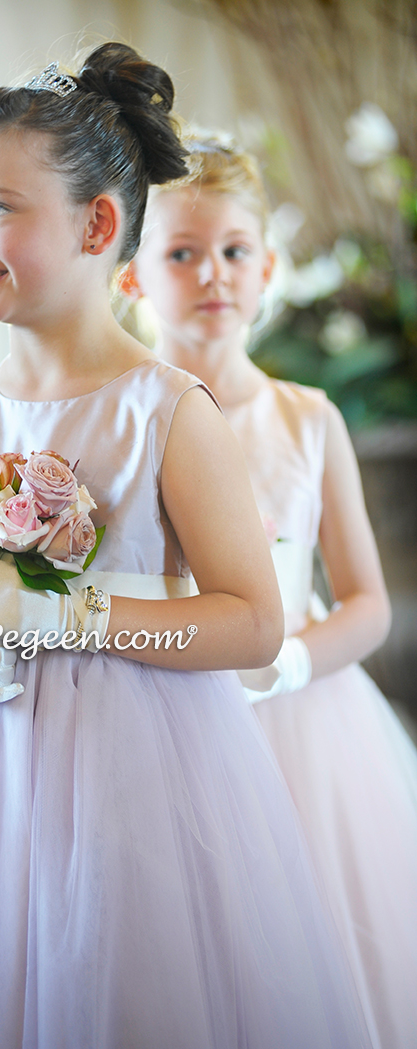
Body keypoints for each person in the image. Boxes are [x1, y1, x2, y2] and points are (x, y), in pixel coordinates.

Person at [0, 48, 373, 1049]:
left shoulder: (166, 410)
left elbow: (255, 623)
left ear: (97, 225)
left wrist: (75, 613)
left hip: (138, 780)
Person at [127, 134, 417, 1049]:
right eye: (181, 252)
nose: (212, 272)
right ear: (131, 273)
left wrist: (289, 661)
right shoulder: (121, 415)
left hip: (296, 720)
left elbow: (367, 601)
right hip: (156, 710)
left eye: (233, 250)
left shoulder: (308, 419)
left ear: (270, 267)